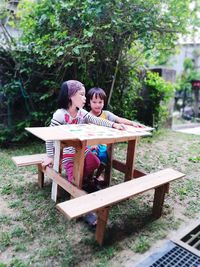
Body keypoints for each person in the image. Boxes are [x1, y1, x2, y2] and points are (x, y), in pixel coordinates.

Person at [42, 80, 124, 185]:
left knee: (95, 162)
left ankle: (79, 178)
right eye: (81, 94)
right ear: (70, 96)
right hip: (66, 152)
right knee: (74, 179)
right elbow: (50, 135)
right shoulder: (60, 114)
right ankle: (76, 179)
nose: (85, 98)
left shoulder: (81, 112)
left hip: (81, 148)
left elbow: (96, 119)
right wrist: (50, 156)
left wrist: (113, 124)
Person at [86, 87, 145, 183]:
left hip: (104, 144)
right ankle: (89, 176)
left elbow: (119, 119)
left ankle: (99, 174)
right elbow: (85, 133)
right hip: (89, 143)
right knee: (92, 155)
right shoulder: (87, 116)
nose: (98, 105)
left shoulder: (107, 114)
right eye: (94, 102)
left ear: (104, 102)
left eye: (100, 102)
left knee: (105, 156)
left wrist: (132, 123)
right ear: (89, 102)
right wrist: (92, 144)